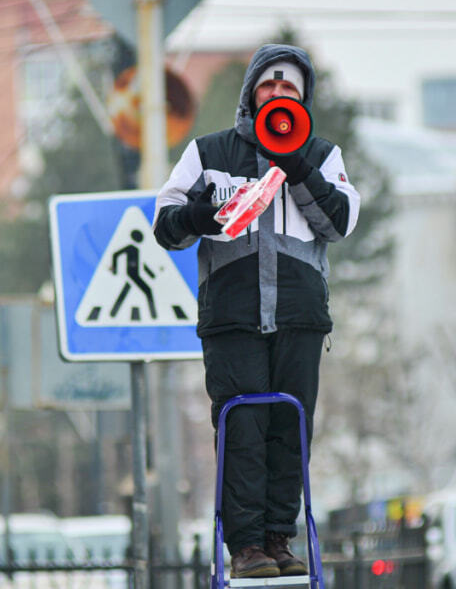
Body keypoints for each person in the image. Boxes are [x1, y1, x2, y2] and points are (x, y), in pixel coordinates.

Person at [154, 43, 360, 578]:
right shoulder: (209, 152)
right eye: (269, 85)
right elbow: (165, 222)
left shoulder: (322, 156)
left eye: (288, 87)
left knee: (288, 428)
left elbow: (339, 222)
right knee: (242, 427)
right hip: (232, 319)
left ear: (303, 97)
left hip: (299, 317)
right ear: (252, 92)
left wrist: (297, 169)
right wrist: (202, 213)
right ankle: (245, 547)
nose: (278, 94)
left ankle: (279, 539)